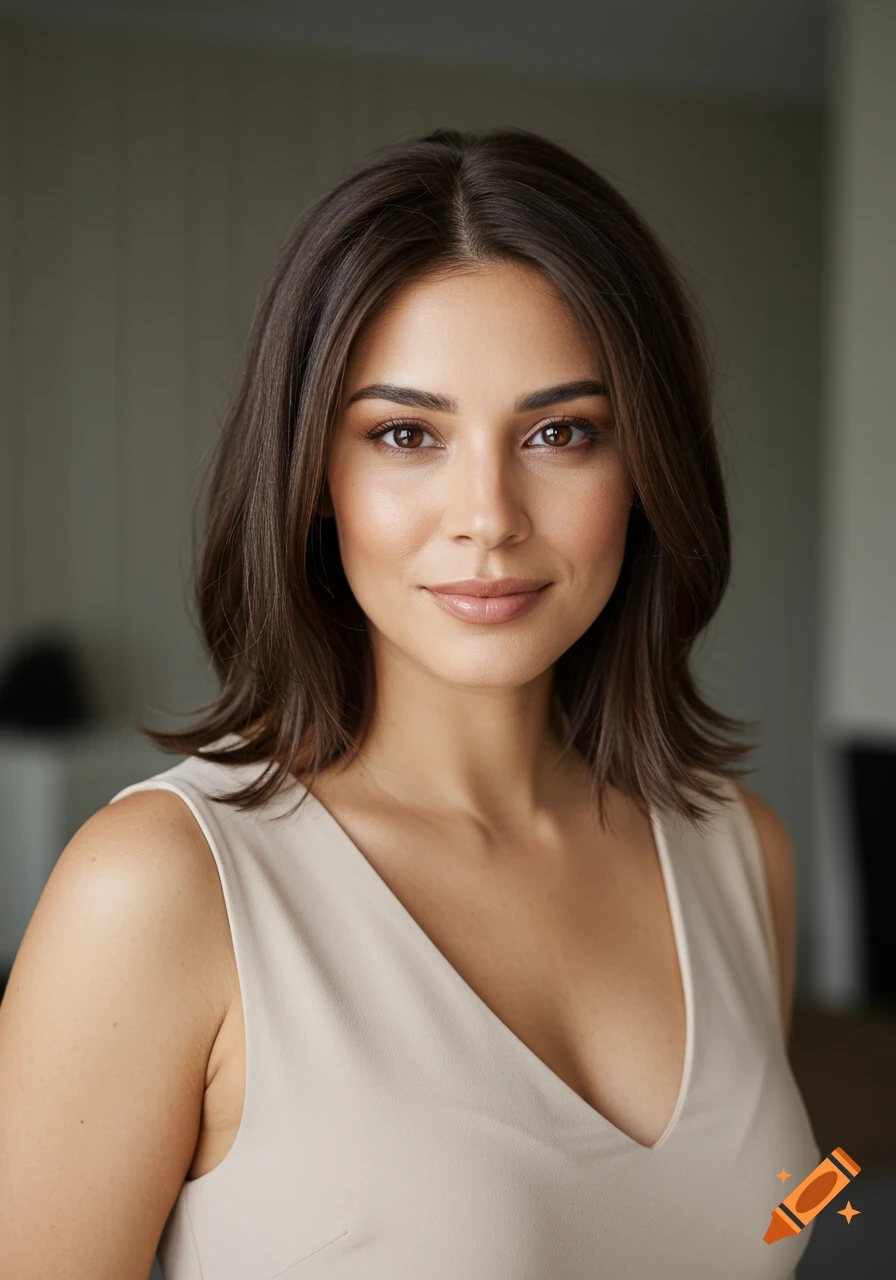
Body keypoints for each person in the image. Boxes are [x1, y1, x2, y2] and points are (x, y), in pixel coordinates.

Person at [0, 127, 819, 1279]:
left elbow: (777, 1230)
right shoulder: (158, 889)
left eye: (558, 432)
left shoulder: (741, 856)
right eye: (404, 434)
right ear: (312, 479)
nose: (486, 514)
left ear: (644, 470)